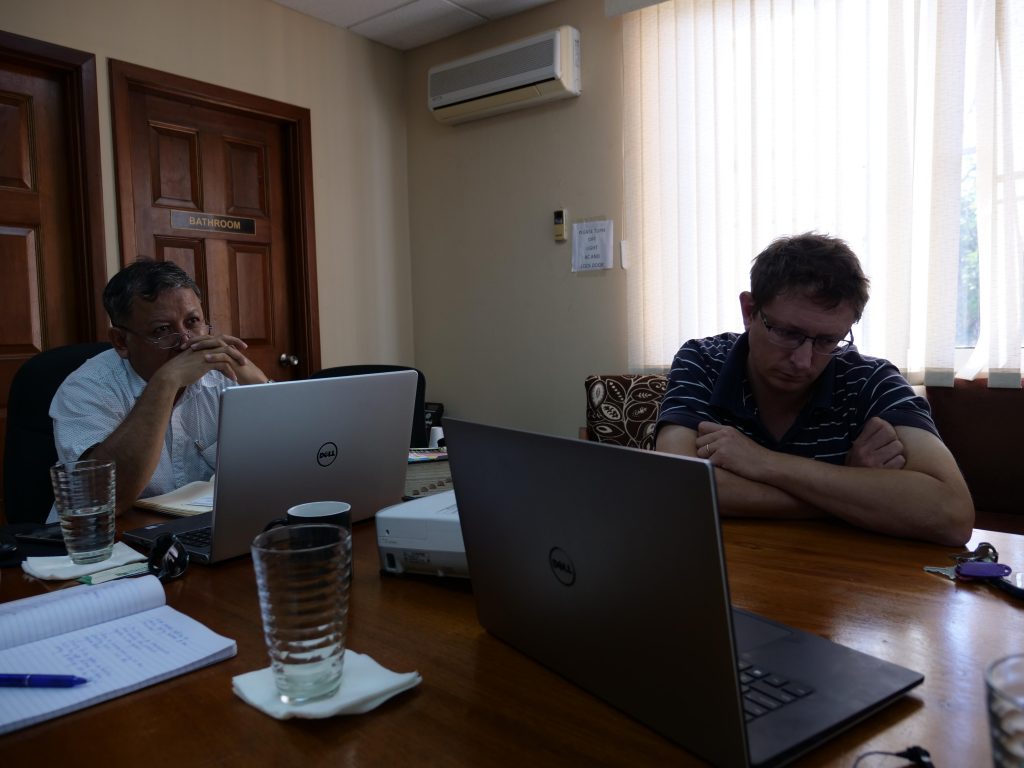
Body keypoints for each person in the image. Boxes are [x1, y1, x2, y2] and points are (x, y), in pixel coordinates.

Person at [655, 232, 974, 546]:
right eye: (787, 333)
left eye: (827, 341)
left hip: (840, 585)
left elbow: (952, 515)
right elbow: (677, 487)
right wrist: (848, 491)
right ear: (749, 311)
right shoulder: (702, 359)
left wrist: (764, 462)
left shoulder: (871, 379)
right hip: (727, 574)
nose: (803, 361)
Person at [50, 260, 271, 514]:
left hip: (199, 532)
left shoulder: (223, 373)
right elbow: (102, 500)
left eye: (192, 322)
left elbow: (292, 464)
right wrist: (165, 383)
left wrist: (262, 387)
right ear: (121, 341)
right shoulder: (85, 388)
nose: (185, 343)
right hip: (108, 544)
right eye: (162, 330)